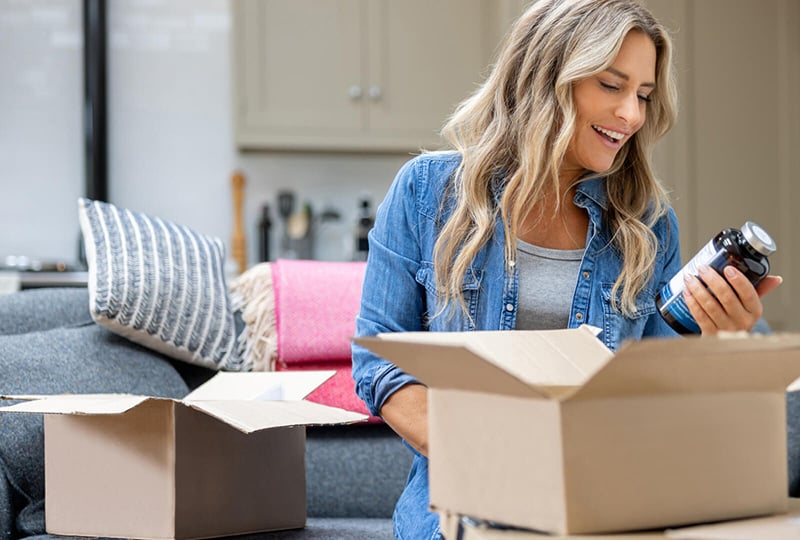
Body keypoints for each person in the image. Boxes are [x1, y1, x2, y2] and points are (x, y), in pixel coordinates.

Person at [351, 0, 783, 538]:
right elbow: (381, 363)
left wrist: (719, 350)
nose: (632, 115)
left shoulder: (648, 225)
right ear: (548, 77)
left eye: (644, 95)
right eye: (611, 85)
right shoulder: (426, 194)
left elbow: (653, 391)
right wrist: (513, 468)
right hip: (461, 510)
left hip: (605, 508)